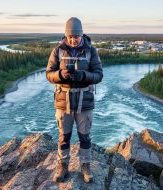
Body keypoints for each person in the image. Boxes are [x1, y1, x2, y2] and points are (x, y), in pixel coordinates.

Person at [46, 17, 103, 183]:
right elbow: (49, 73)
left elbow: (99, 74)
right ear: (65, 35)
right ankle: (62, 165)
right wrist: (60, 75)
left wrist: (84, 75)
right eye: (70, 37)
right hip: (63, 101)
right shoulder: (57, 51)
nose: (73, 40)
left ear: (81, 35)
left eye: (76, 37)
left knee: (84, 136)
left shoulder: (91, 51)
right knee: (64, 136)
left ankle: (85, 166)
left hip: (84, 101)